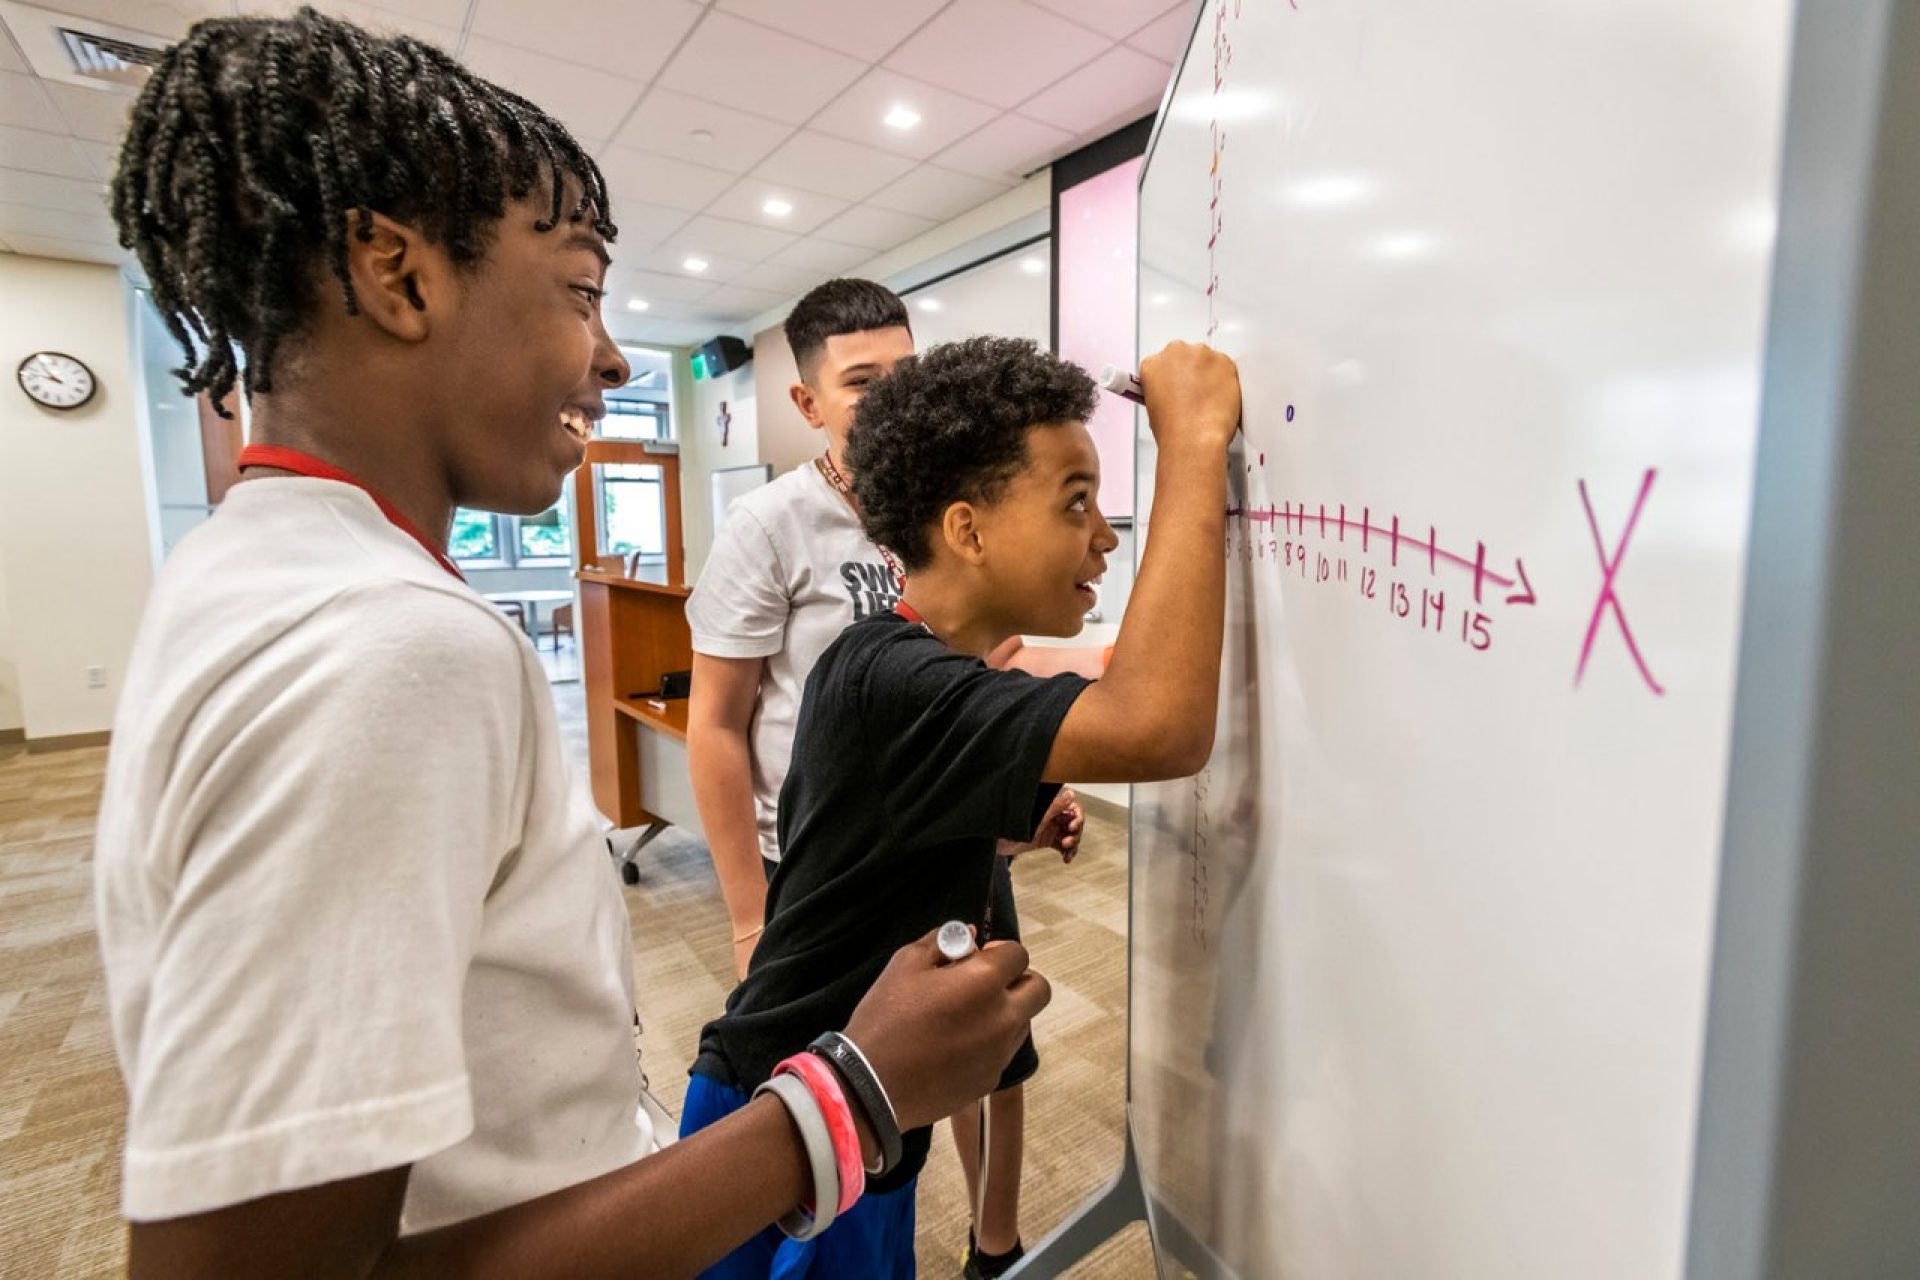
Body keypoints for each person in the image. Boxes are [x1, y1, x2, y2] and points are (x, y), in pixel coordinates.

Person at [92, 12, 1048, 1277]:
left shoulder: (247, 564)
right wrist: (853, 1095)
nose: (605, 357)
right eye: (582, 289)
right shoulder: (384, 646)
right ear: (398, 272)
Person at [682, 335, 1242, 1278]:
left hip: (859, 1110)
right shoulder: (892, 681)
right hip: (787, 1117)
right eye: (1076, 504)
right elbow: (1159, 727)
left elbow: (874, 839)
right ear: (968, 531)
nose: (1104, 535)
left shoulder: (890, 659)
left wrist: (998, 833)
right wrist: (1191, 447)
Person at [685, 280, 1091, 1271]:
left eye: (904, 373)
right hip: (832, 858)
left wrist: (1018, 798)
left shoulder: (948, 500)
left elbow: (989, 671)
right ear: (809, 403)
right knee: (834, 1101)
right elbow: (716, 724)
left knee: (983, 1034)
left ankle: (994, 1235)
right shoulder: (770, 526)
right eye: (862, 380)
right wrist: (749, 916)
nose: (889, 397)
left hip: (946, 821)